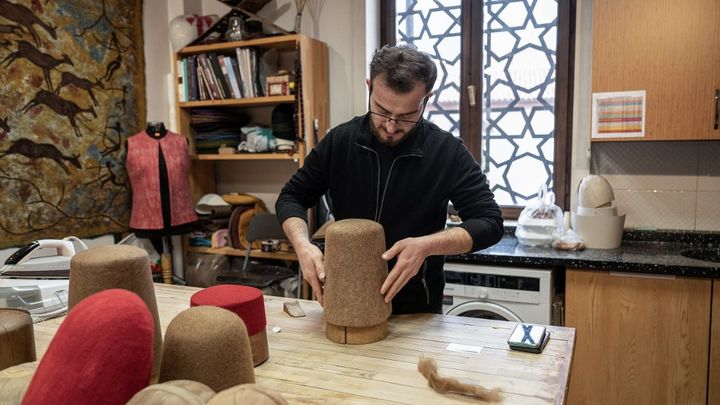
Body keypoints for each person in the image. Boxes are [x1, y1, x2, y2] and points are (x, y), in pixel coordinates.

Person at [275, 44, 503, 314]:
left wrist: (427, 246)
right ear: (370, 86)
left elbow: (489, 222)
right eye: (382, 110)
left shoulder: (447, 151)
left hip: (416, 309)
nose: (392, 126)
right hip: (347, 299)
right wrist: (303, 246)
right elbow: (291, 197)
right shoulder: (340, 141)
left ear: (427, 98)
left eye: (407, 116)